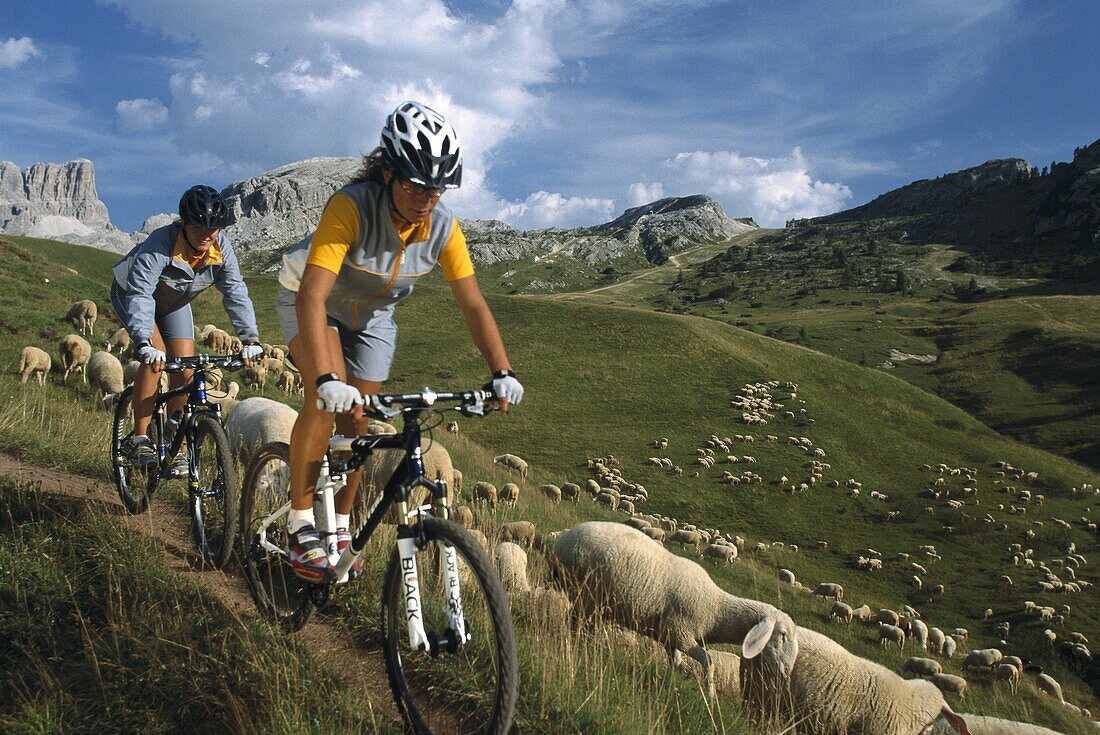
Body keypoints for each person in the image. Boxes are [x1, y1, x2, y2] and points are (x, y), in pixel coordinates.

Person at [276, 101, 523, 581]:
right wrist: (326, 377)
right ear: (387, 171)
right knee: (325, 402)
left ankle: (340, 527)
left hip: (373, 315)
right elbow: (313, 292)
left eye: (436, 187)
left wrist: (502, 370)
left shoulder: (444, 228)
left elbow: (472, 304)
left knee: (360, 419)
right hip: (311, 301)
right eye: (414, 183)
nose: (426, 197)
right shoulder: (351, 206)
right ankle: (301, 523)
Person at [111, 185, 264, 473]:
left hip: (173, 302)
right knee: (155, 359)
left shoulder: (221, 250)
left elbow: (235, 293)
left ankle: (173, 439)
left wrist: (250, 339)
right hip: (131, 294)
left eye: (214, 228)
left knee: (186, 368)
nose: (207, 235)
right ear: (184, 224)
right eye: (198, 228)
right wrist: (144, 342)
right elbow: (141, 292)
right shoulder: (161, 243)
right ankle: (141, 440)